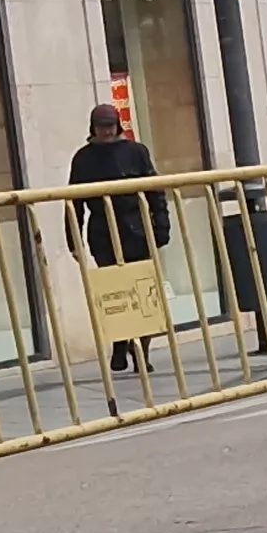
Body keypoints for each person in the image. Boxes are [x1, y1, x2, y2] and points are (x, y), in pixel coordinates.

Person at [67, 102, 166, 375]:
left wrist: (161, 227)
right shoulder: (83, 159)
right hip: (103, 233)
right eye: (102, 127)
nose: (107, 132)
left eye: (111, 126)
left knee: (143, 295)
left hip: (136, 230)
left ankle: (141, 352)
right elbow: (73, 202)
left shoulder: (136, 152)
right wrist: (74, 240)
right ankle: (121, 343)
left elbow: (156, 190)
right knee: (115, 293)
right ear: (93, 128)